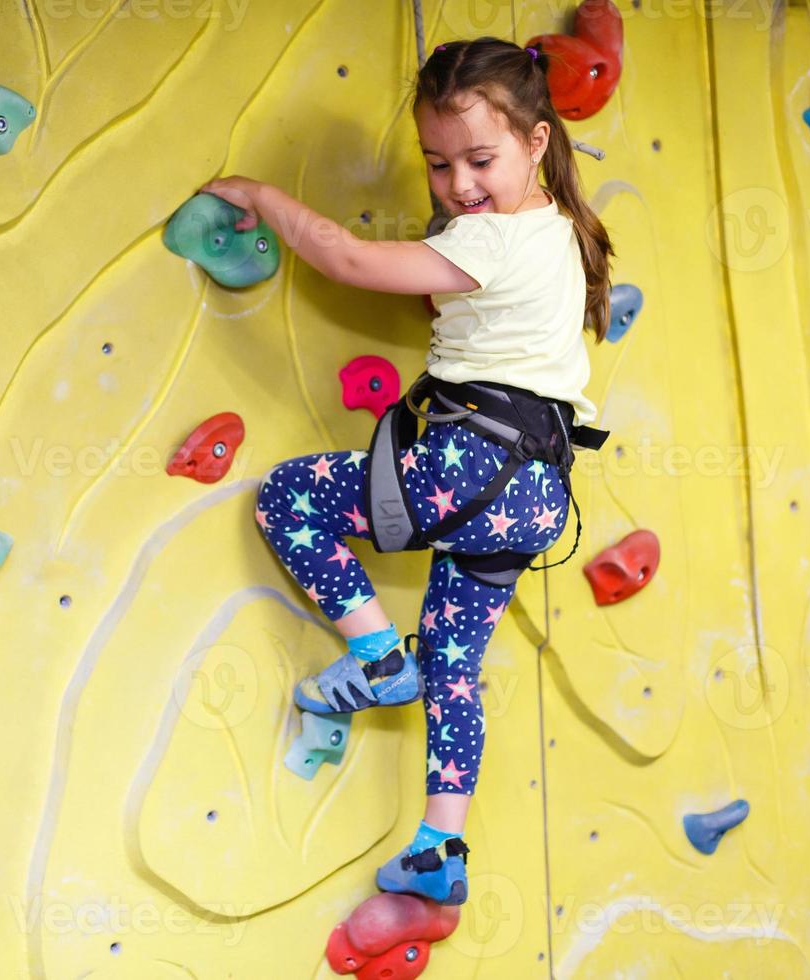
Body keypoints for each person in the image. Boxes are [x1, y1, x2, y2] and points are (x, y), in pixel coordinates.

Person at [199, 36, 614, 906]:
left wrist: (264, 196)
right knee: (457, 663)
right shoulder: (564, 234)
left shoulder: (492, 240)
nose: (460, 185)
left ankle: (379, 655)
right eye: (438, 164)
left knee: (288, 498)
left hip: (470, 463)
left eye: (480, 159)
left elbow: (352, 261)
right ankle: (440, 846)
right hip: (537, 490)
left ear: (538, 141)